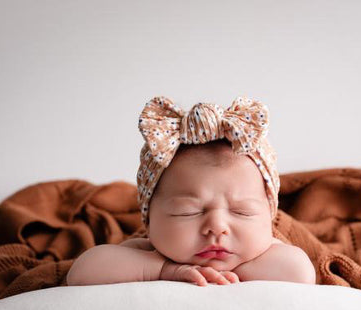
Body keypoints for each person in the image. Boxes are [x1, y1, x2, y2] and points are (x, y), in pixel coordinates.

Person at [66, 96, 316, 287]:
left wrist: (233, 271)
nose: (217, 227)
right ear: (149, 219)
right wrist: (164, 270)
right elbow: (81, 272)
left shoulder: (268, 250)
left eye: (243, 211)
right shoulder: (147, 252)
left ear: (269, 216)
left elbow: (300, 272)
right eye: (187, 212)